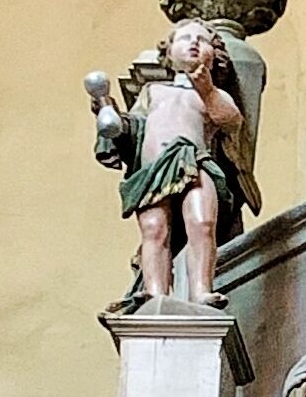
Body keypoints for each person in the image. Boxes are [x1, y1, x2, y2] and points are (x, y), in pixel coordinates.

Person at [98, 21, 251, 309]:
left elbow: (232, 121)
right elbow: (134, 128)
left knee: (202, 222)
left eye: (202, 40)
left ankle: (201, 290)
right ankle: (155, 293)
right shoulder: (153, 91)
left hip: (194, 162)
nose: (194, 43)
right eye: (185, 38)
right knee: (154, 229)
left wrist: (207, 91)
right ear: (168, 52)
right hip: (155, 167)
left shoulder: (212, 95)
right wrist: (110, 115)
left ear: (215, 55)